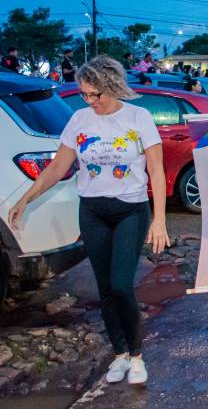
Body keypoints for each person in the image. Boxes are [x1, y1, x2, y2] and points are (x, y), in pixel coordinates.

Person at [7, 56, 169, 384]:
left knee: (121, 285)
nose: (90, 100)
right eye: (84, 94)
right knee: (106, 288)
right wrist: (24, 199)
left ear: (113, 87)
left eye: (96, 94)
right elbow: (58, 167)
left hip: (130, 210)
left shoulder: (138, 117)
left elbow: (156, 169)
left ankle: (137, 355)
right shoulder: (79, 120)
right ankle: (120, 354)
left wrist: (160, 220)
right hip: (93, 212)